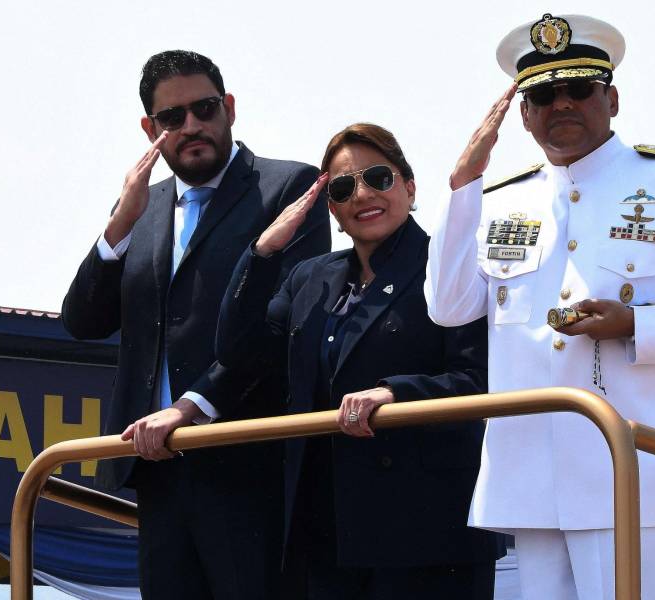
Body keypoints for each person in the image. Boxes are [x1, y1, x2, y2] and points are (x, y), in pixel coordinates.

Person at [424, 13, 655, 600]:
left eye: (579, 88)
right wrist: (463, 185)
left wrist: (638, 325)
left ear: (612, 99)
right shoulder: (498, 200)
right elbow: (448, 307)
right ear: (524, 114)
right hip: (534, 485)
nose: (562, 104)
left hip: (645, 476)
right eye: (543, 95)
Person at [61, 50, 331, 599]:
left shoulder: (287, 186)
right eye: (172, 117)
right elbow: (83, 321)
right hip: (156, 468)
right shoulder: (142, 205)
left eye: (204, 109)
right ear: (150, 129)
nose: (191, 126)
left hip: (248, 460)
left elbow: (280, 328)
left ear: (228, 107)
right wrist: (120, 225)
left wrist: (193, 406)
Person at [215, 123, 503, 599]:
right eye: (343, 187)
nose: (363, 195)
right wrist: (263, 253)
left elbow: (477, 380)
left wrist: (395, 393)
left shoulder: (449, 264)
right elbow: (239, 353)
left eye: (379, 178)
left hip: (426, 532)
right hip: (325, 530)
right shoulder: (310, 277)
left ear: (410, 188)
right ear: (332, 208)